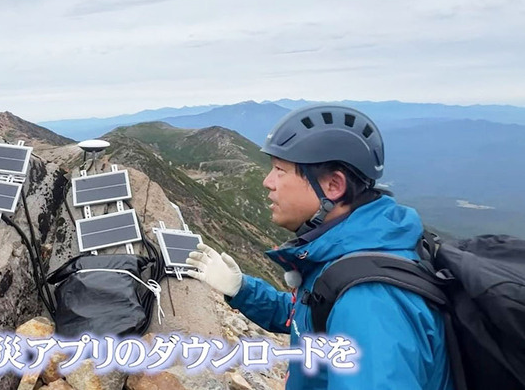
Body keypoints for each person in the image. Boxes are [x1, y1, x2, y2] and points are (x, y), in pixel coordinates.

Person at [185, 104, 453, 390]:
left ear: (333, 186)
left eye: (279, 169)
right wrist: (241, 289)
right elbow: (308, 317)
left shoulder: (370, 303)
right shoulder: (343, 255)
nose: (267, 182)